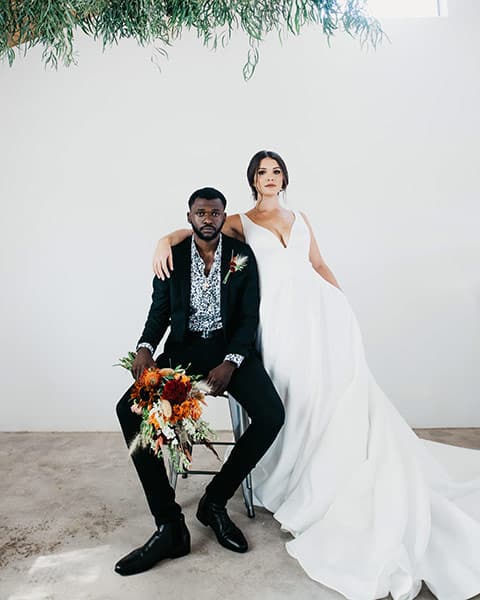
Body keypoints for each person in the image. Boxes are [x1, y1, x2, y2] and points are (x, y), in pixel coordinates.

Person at [152, 151, 480, 600]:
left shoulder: (300, 215)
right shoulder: (238, 222)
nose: (270, 178)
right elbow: (190, 231)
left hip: (321, 316)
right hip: (279, 323)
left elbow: (318, 264)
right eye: (262, 172)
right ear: (252, 180)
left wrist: (341, 302)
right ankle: (290, 472)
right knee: (292, 398)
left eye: (276, 171)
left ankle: (329, 467)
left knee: (332, 393)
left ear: (285, 176)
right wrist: (159, 243)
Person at [115, 186, 285, 577]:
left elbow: (248, 318)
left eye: (215, 213)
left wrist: (231, 361)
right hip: (181, 354)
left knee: (272, 415)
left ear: (224, 217)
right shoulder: (172, 257)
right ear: (189, 217)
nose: (208, 219)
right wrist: (144, 347)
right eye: (200, 213)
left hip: (230, 354)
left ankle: (214, 501)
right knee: (127, 411)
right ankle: (169, 525)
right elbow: (159, 313)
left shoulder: (241, 256)